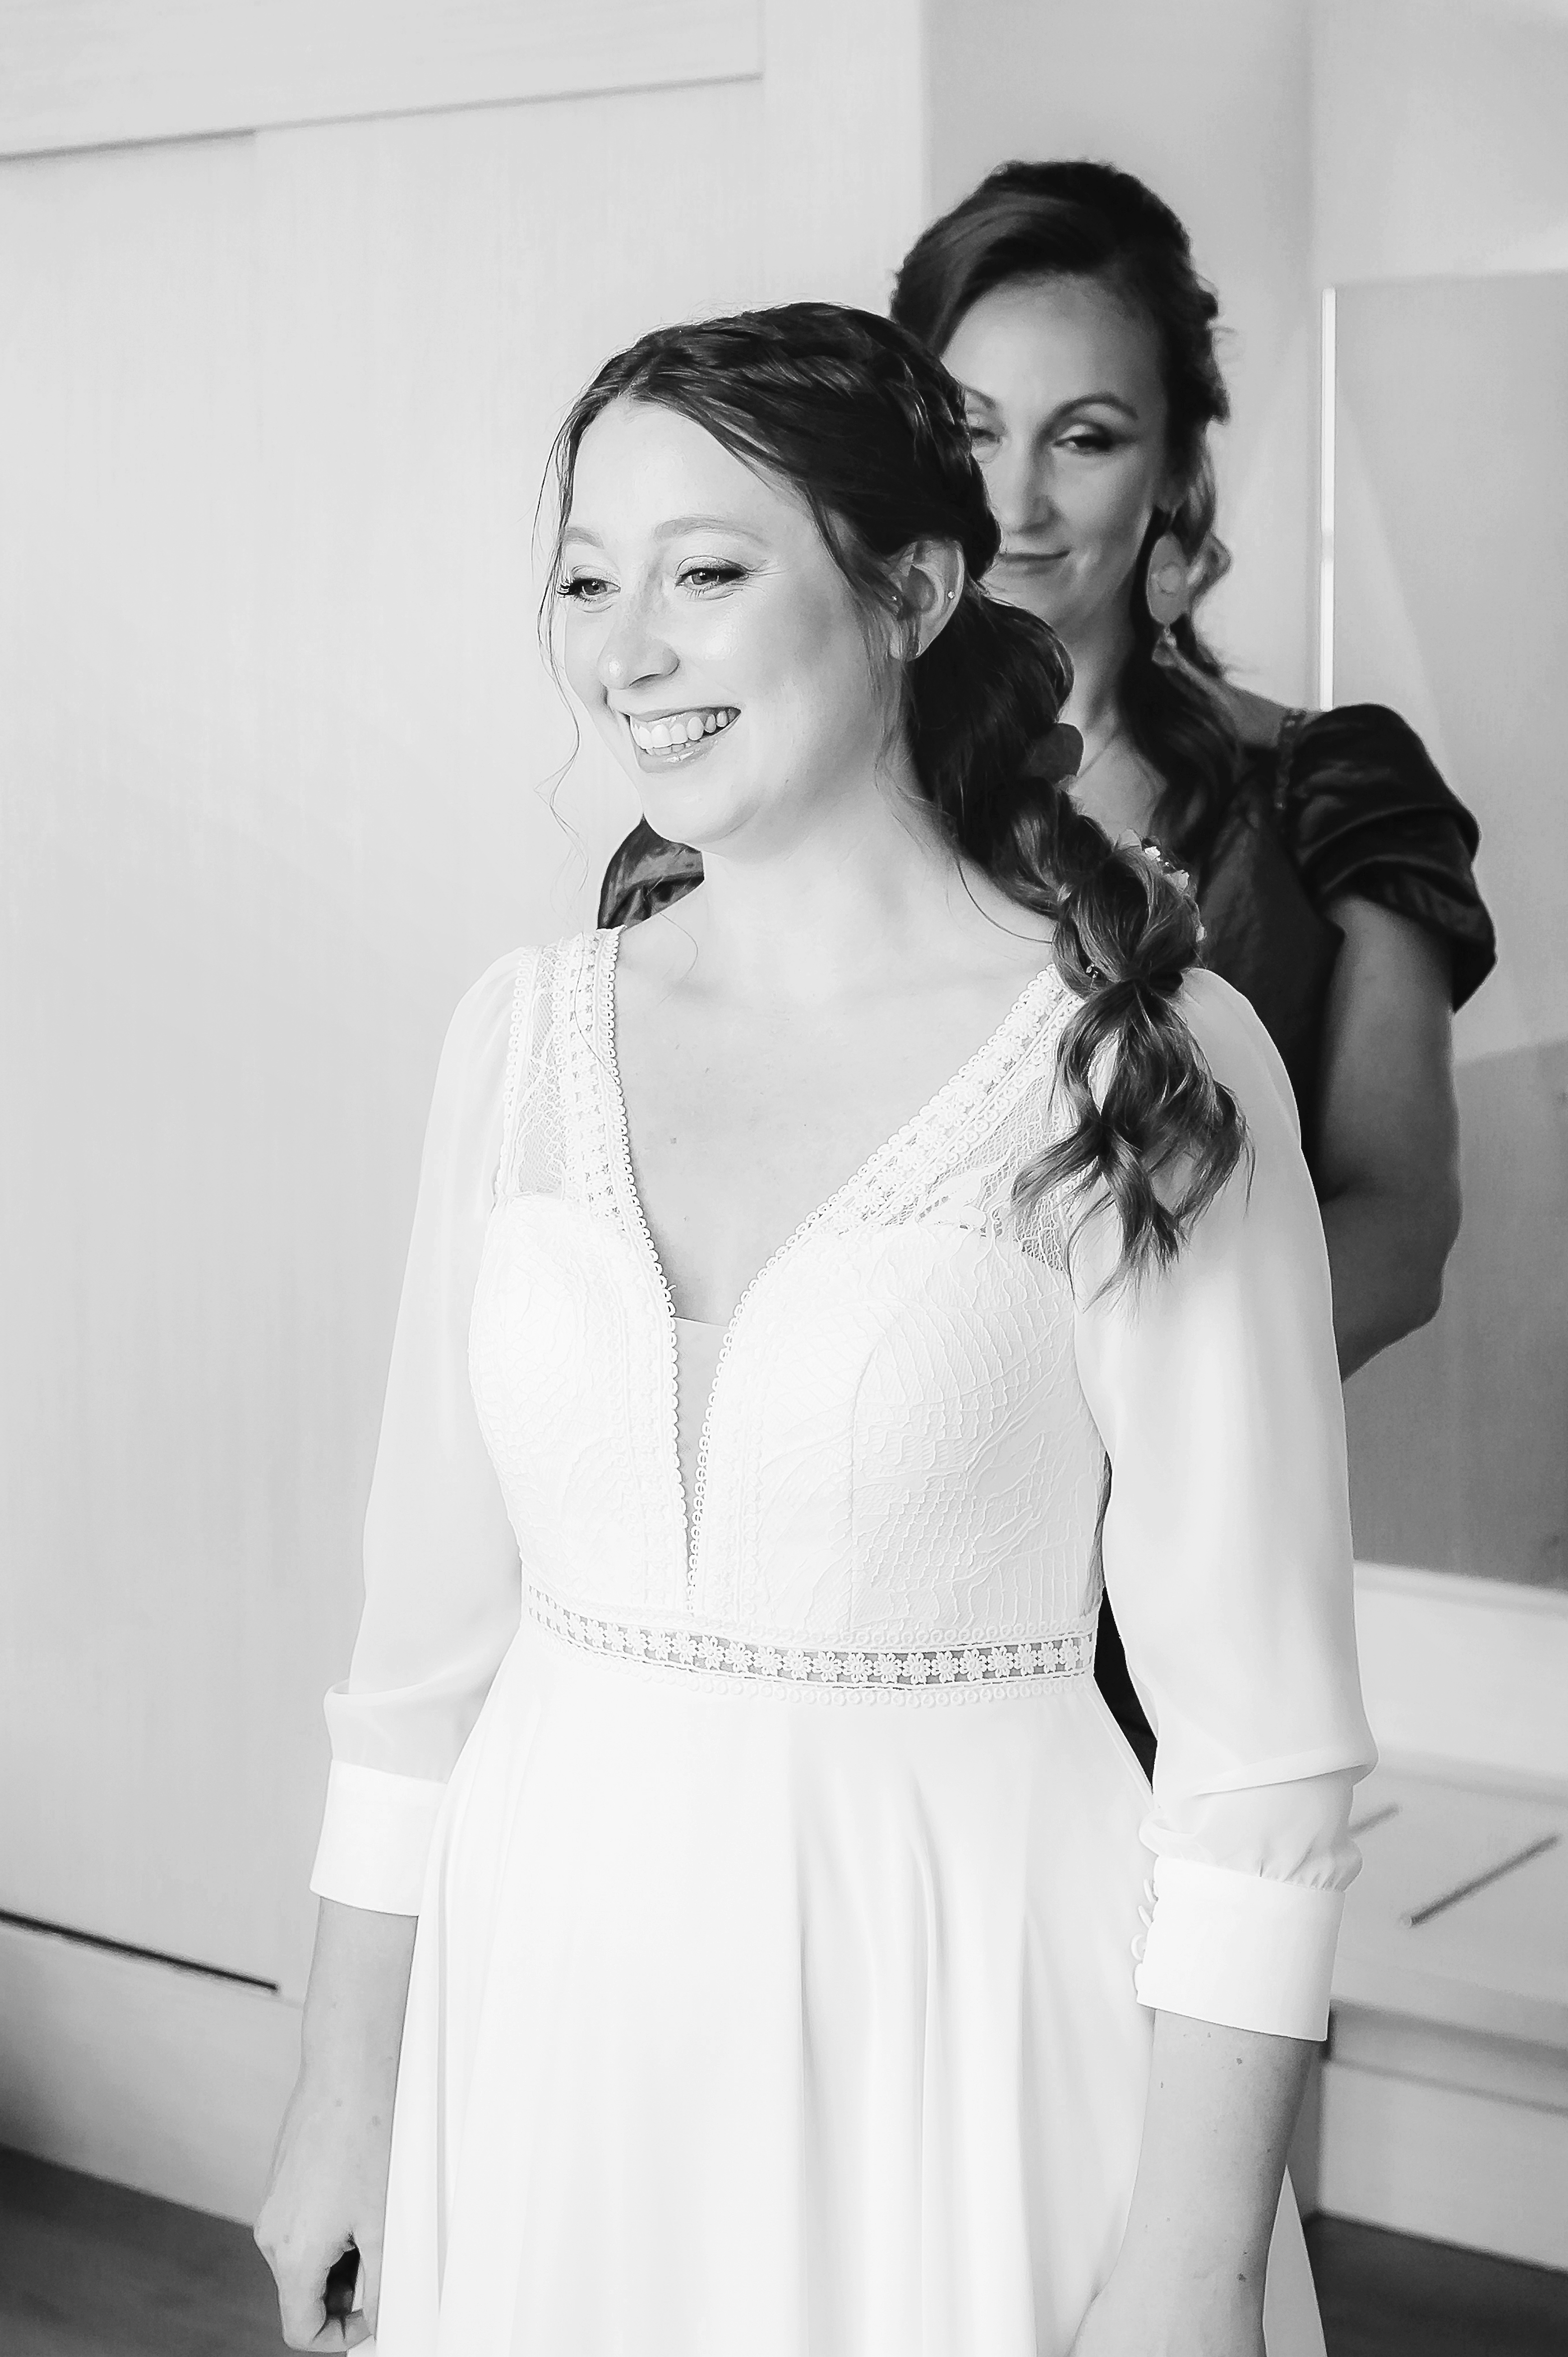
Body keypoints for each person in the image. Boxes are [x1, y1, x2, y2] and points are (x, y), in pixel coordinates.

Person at [255, 302, 1375, 2357]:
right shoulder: (519, 1039)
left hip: (966, 2040)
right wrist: (345, 2091)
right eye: (586, 581)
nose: (627, 650)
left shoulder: (1136, 1056)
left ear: (914, 591)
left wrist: (1198, 2261)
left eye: (705, 572)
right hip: (547, 2037)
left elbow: (1261, 1759)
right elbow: (415, 1673)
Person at [598, 160, 1497, 1773]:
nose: (1015, 502)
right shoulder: (730, 822)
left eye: (1085, 436)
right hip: (798, 1619)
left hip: (1154, 1622)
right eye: (970, 431)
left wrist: (1073, 1435)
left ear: (1176, 472)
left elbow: (1402, 1219)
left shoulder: (1332, 796)